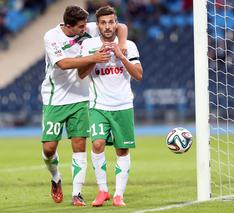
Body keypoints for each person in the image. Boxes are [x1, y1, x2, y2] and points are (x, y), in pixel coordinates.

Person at [41, 5, 128, 206]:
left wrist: (122, 42)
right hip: (55, 97)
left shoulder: (85, 28)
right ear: (69, 26)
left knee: (79, 145)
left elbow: (120, 26)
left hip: (81, 97)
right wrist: (93, 58)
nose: (85, 30)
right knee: (49, 148)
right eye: (80, 27)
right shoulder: (51, 37)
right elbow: (62, 64)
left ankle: (77, 194)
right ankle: (55, 178)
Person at [78, 5, 143, 207]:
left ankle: (118, 195)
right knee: (97, 144)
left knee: (122, 150)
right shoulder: (89, 45)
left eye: (111, 22)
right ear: (97, 25)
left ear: (116, 23)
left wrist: (120, 56)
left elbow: (139, 75)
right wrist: (95, 58)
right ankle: (103, 190)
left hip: (123, 105)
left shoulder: (128, 45)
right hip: (98, 105)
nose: (107, 26)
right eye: (103, 22)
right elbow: (81, 74)